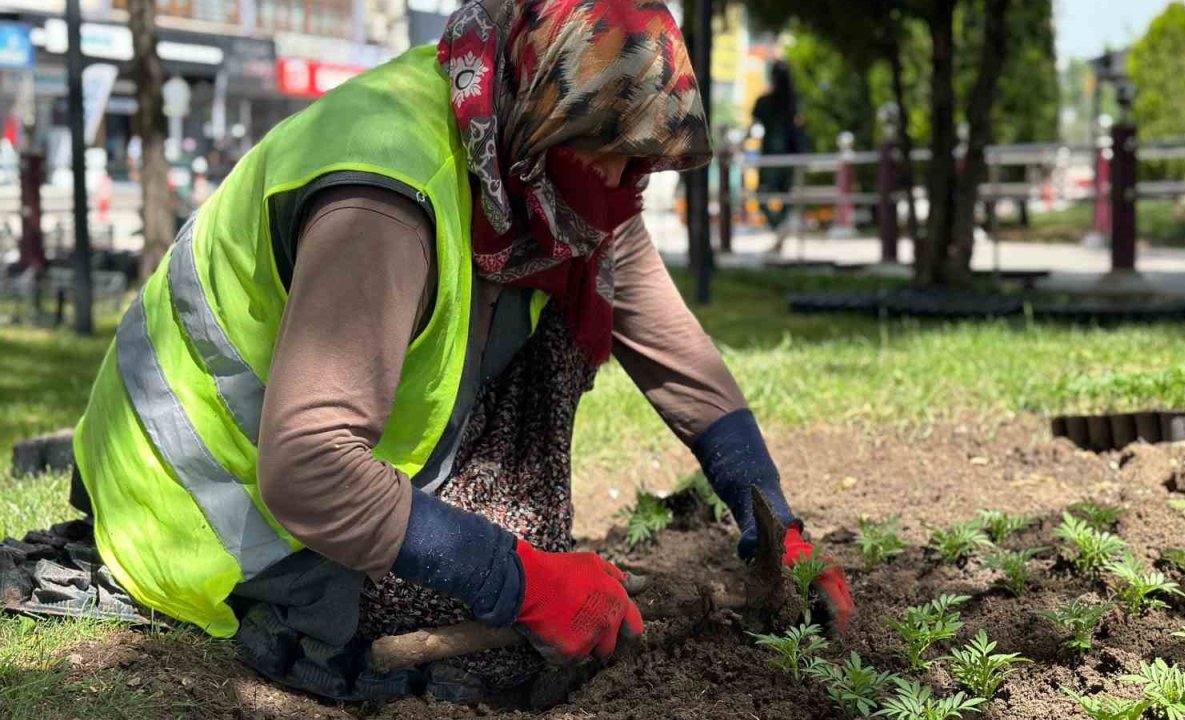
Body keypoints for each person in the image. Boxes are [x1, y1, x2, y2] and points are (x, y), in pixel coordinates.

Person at [67, 0, 852, 704]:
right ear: (544, 105)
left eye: (639, 158)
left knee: (581, 285)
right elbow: (307, 469)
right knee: (496, 638)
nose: (622, 179)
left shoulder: (529, 154)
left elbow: (676, 352)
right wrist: (517, 581)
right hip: (204, 512)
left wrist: (773, 520)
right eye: (608, 151)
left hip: (300, 466)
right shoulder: (385, 193)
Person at [751, 61, 807, 254]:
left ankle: (779, 228)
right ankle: (781, 228)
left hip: (770, 157)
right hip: (790, 156)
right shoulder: (796, 103)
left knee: (763, 195)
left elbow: (755, 122)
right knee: (788, 197)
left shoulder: (765, 102)